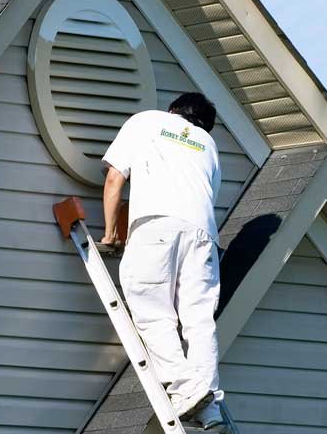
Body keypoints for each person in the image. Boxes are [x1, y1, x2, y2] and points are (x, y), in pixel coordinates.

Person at [100, 92, 225, 430]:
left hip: (156, 225)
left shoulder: (147, 121)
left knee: (153, 311)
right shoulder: (208, 145)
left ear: (174, 110)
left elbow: (114, 178)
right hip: (203, 234)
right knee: (199, 320)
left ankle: (187, 391)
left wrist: (111, 234)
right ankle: (210, 408)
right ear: (203, 124)